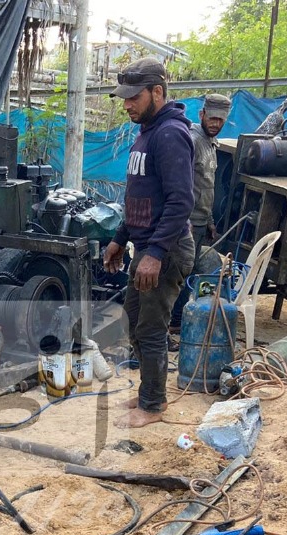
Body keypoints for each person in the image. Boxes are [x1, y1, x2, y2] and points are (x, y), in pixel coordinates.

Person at [103, 57, 196, 428]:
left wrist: (155, 253)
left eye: (134, 97)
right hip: (146, 247)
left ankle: (153, 405)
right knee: (134, 322)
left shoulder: (170, 134)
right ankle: (149, 392)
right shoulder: (147, 131)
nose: (126, 104)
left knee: (152, 329)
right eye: (124, 98)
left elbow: (180, 201)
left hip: (166, 250)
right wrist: (119, 238)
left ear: (157, 92)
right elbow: (140, 200)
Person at [170, 92, 233, 333]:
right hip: (186, 222)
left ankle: (177, 321)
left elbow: (206, 186)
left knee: (191, 271)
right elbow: (181, 184)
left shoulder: (211, 143)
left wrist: (210, 220)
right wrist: (182, 220)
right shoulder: (193, 140)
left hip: (200, 221)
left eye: (220, 120)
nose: (215, 124)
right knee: (180, 272)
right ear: (202, 114)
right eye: (212, 118)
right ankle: (173, 322)